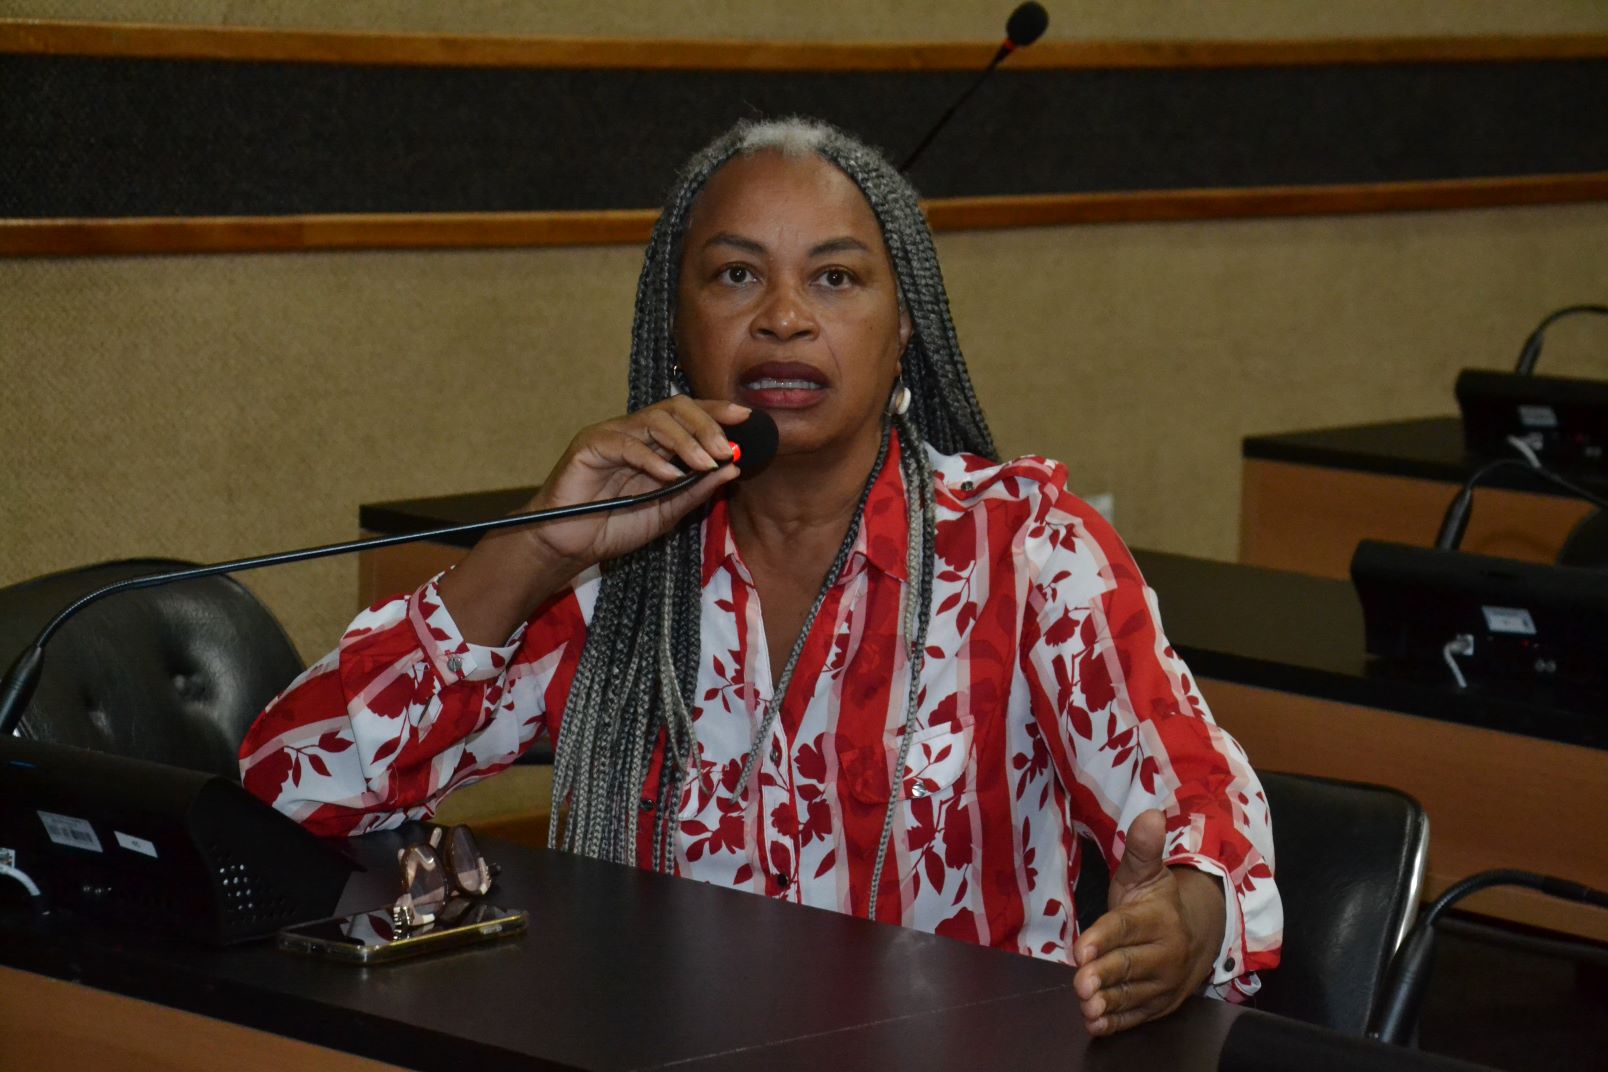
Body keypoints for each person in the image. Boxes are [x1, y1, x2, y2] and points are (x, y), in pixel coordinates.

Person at [240, 117, 1281, 1036]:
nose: (784, 316)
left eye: (836, 278)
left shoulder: (1026, 553)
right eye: (737, 276)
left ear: (904, 326)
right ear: (678, 323)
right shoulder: (617, 574)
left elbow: (1200, 801)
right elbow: (291, 791)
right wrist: (539, 549)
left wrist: (1188, 913)